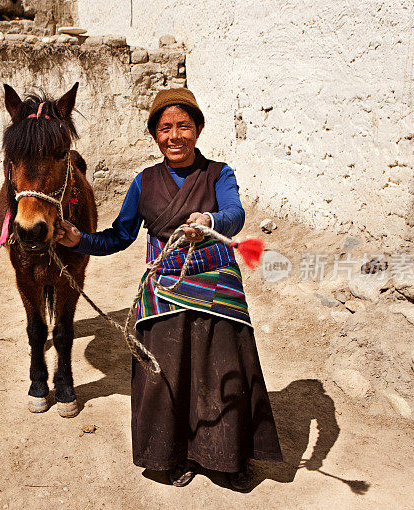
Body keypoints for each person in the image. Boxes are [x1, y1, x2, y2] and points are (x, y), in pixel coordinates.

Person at [54, 88, 282, 488]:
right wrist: (80, 241)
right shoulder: (144, 182)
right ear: (155, 135)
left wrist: (210, 221)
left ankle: (226, 457)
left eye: (183, 126)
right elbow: (120, 237)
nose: (175, 135)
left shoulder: (219, 174)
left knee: (223, 371)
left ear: (198, 129)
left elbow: (235, 214)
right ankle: (173, 455)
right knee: (165, 374)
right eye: (165, 128)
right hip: (164, 286)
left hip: (216, 285)